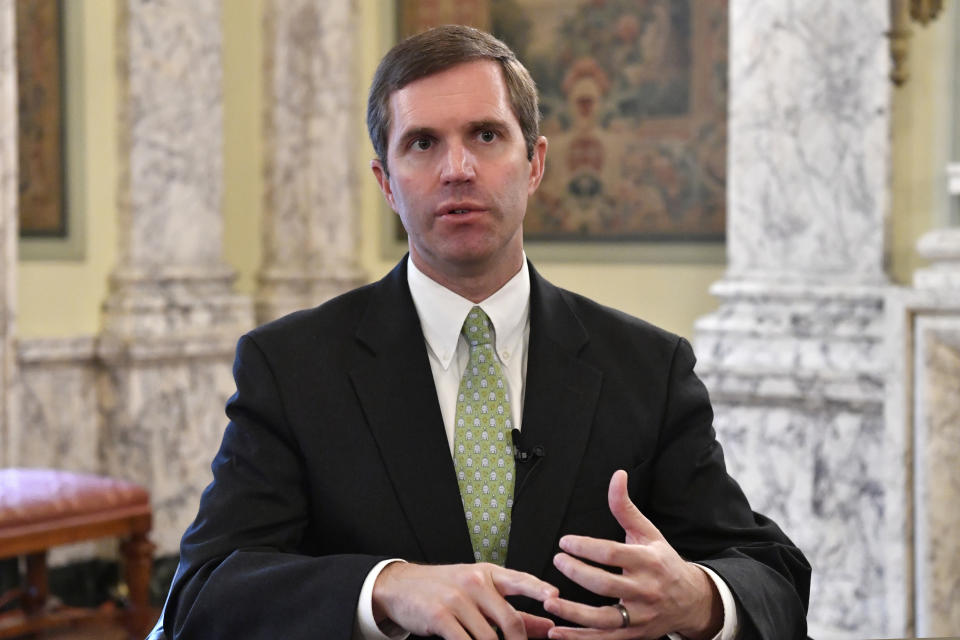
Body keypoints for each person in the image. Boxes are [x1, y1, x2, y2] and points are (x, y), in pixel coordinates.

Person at [150, 25, 809, 640]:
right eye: (422, 143)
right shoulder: (292, 367)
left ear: (535, 164)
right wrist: (382, 588)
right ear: (386, 182)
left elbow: (770, 575)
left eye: (487, 136)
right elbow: (200, 596)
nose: (457, 169)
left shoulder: (647, 367)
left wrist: (698, 597)